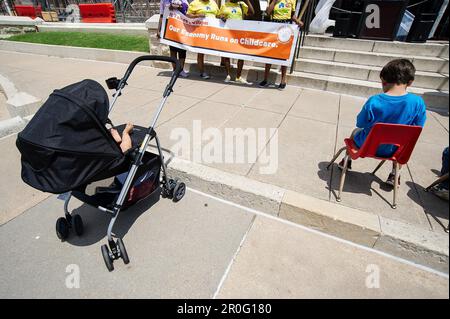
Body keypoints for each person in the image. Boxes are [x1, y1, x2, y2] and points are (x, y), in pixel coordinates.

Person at [337, 59, 427, 187]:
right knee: (402, 142)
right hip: (394, 151)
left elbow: (360, 123)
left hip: (367, 147)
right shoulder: (418, 103)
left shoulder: (374, 101)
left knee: (355, 132)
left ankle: (347, 161)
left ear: (383, 80)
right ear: (410, 82)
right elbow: (417, 128)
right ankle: (395, 174)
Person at [258, 0, 303, 90]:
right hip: (274, 27)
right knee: (269, 54)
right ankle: (265, 79)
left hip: (286, 28)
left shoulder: (292, 1)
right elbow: (268, 12)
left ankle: (283, 80)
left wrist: (298, 21)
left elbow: (292, 16)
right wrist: (274, 1)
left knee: (283, 54)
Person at [217, 0, 254, 84]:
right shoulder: (224, 6)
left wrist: (247, 1)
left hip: (239, 34)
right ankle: (228, 75)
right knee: (227, 55)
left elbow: (252, 12)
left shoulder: (242, 5)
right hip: (228, 33)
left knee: (241, 55)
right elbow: (219, 16)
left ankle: (238, 77)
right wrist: (222, 17)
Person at [187, 0, 220, 79]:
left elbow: (218, 15)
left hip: (213, 32)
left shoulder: (213, 3)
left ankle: (225, 67)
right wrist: (197, 15)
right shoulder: (195, 3)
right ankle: (202, 72)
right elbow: (187, 15)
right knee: (201, 52)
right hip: (201, 32)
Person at [157, 0, 190, 78]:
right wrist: (159, 30)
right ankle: (175, 70)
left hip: (181, 28)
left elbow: (188, 9)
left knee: (182, 50)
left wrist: (179, 6)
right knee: (173, 50)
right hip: (170, 28)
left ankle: (181, 70)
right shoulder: (164, 1)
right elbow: (162, 15)